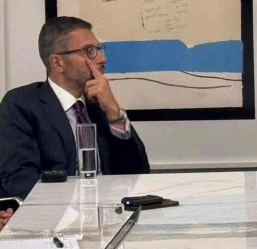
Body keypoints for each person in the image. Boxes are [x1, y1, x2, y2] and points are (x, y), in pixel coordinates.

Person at [0, 17, 150, 226]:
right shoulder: (22, 104)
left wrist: (114, 112)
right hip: (56, 224)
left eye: (99, 49)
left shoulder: (99, 105)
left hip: (110, 221)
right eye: (89, 51)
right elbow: (19, 178)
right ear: (57, 63)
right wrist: (75, 216)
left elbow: (137, 174)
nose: (102, 58)